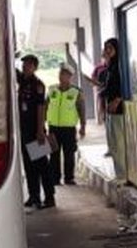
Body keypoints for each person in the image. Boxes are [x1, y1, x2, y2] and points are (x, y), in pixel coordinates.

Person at [17, 54, 54, 209]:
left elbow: (41, 108)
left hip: (35, 129)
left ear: (35, 67)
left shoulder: (38, 84)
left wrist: (40, 130)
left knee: (41, 165)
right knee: (28, 165)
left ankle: (49, 197)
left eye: (29, 65)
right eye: (24, 64)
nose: (25, 67)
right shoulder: (23, 81)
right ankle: (34, 196)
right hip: (24, 129)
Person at [47, 65, 86, 186]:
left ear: (70, 77)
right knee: (54, 153)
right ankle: (55, 178)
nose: (61, 76)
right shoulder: (52, 90)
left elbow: (82, 109)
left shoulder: (76, 92)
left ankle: (69, 178)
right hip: (53, 127)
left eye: (64, 74)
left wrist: (83, 126)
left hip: (69, 128)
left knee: (69, 153)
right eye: (60, 74)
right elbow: (45, 106)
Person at [99, 38, 126, 180]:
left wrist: (117, 100)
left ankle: (122, 174)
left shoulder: (120, 66)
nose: (107, 51)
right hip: (110, 108)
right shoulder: (109, 67)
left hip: (118, 108)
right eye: (106, 48)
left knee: (119, 143)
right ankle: (119, 174)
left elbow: (124, 85)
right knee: (114, 143)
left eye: (110, 48)